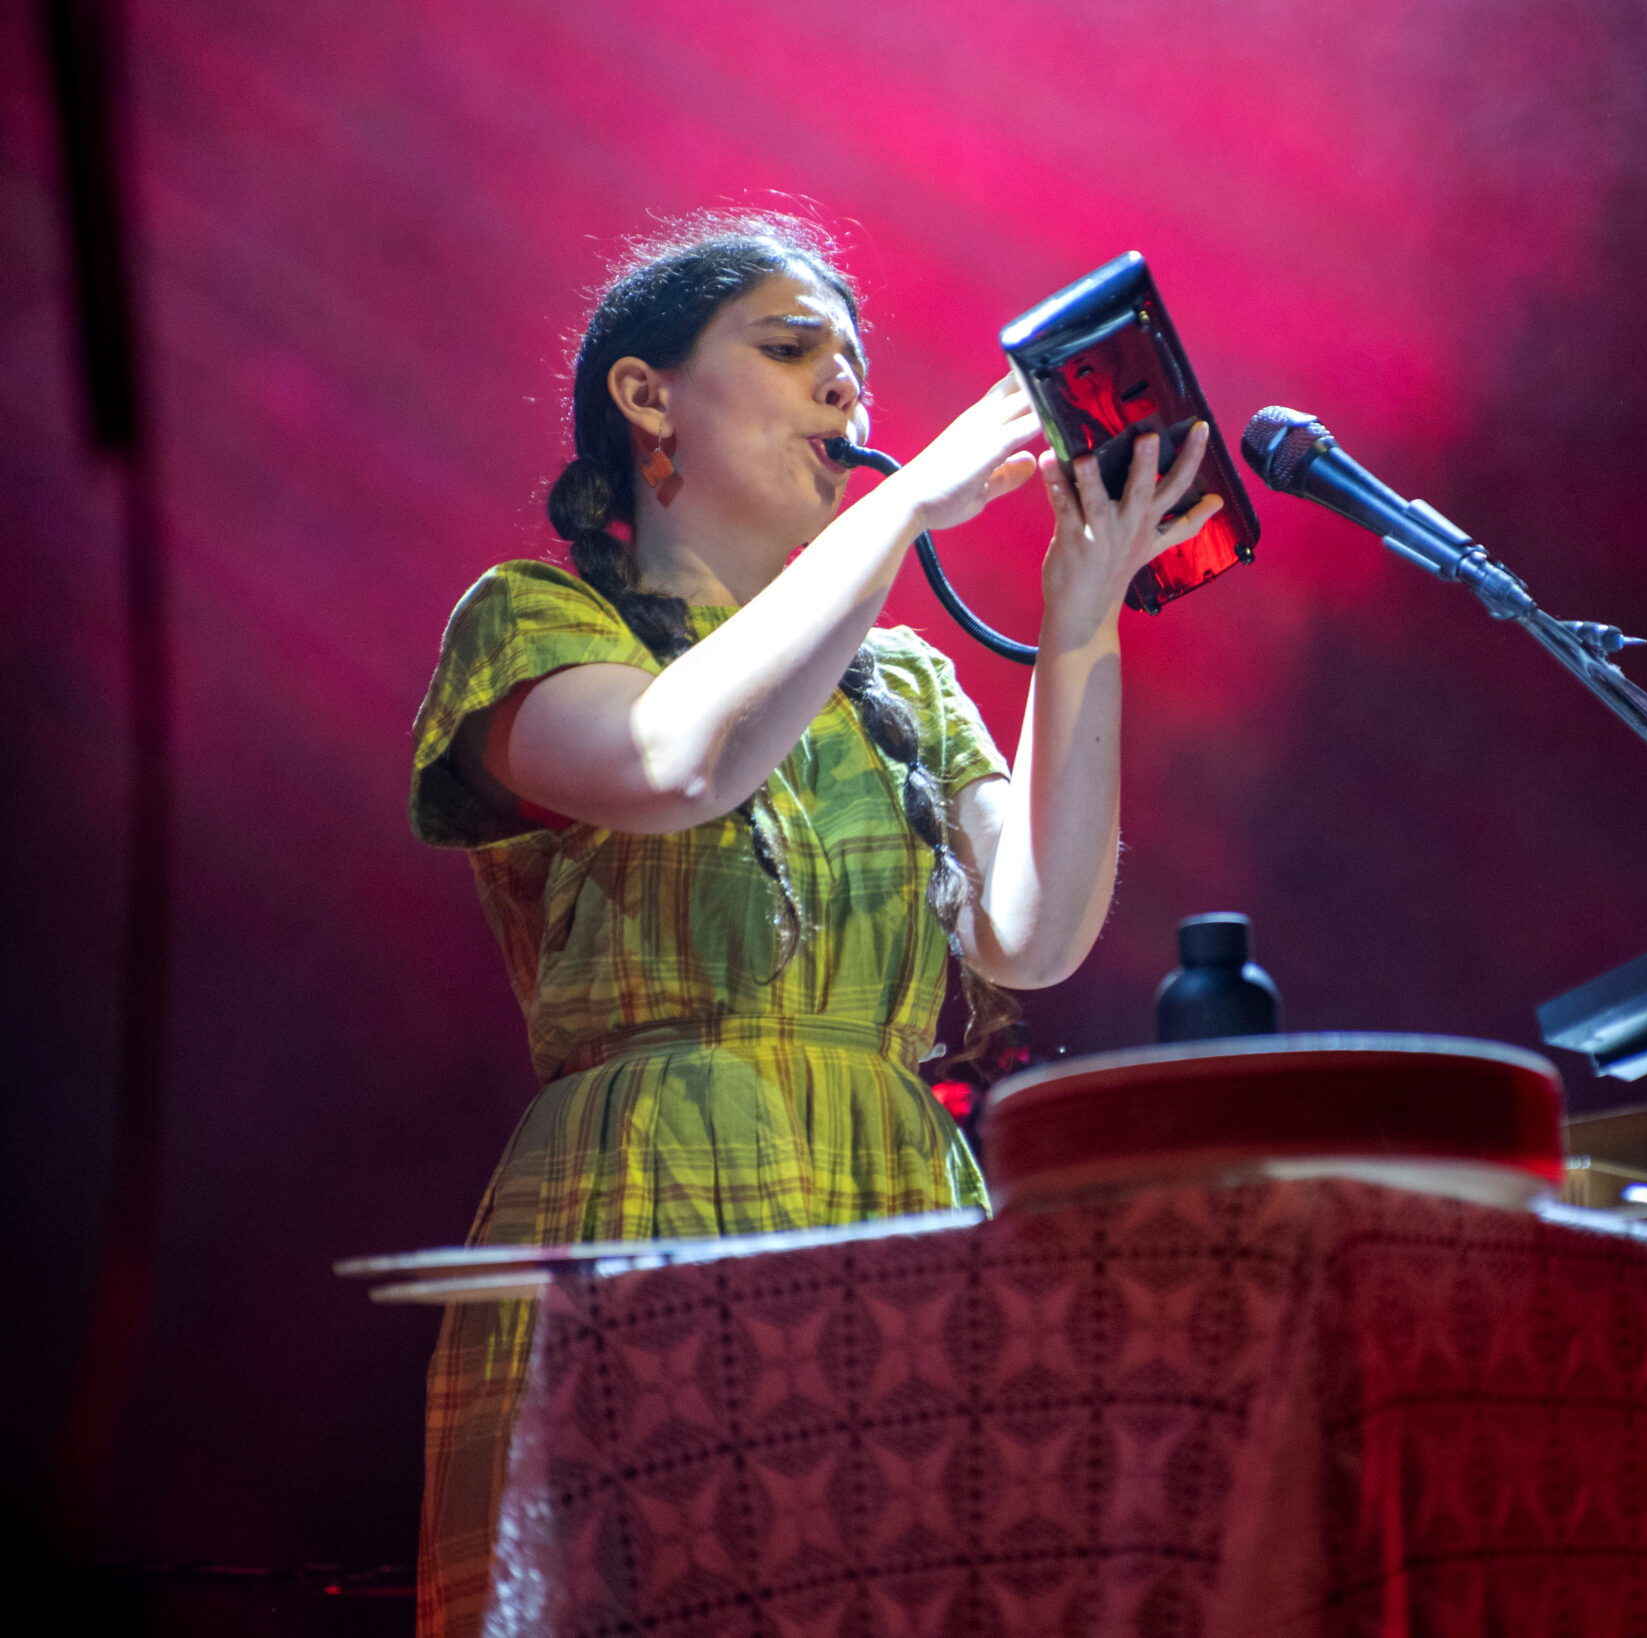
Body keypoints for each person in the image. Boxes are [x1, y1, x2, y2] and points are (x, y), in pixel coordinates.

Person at [404, 214, 1219, 1636]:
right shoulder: (530, 620)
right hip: (653, 1189)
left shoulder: (902, 679)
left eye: (854, 364)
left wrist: (1081, 620)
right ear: (646, 396)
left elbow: (1033, 936)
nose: (846, 387)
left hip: (894, 1200)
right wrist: (901, 516)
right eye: (791, 350)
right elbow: (675, 761)